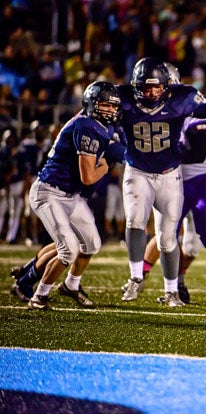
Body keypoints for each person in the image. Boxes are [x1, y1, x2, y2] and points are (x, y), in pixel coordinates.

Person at [117, 57, 206, 307]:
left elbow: (204, 137)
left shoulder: (192, 110)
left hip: (196, 178)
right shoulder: (138, 105)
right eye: (147, 87)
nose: (154, 94)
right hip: (166, 174)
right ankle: (153, 279)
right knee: (165, 234)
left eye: (162, 87)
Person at [23, 81, 124, 310]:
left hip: (71, 195)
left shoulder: (101, 125)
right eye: (104, 105)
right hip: (49, 192)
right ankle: (39, 296)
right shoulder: (86, 125)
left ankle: (71, 285)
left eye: (112, 106)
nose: (109, 110)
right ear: (91, 104)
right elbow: (88, 176)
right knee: (68, 249)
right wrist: (107, 164)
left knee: (91, 244)